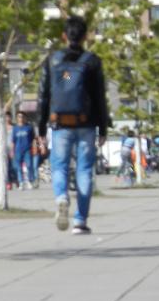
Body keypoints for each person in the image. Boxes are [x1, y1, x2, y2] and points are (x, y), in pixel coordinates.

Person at [37, 16, 109, 234]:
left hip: (60, 124)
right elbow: (99, 96)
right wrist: (103, 127)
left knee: (59, 166)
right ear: (85, 36)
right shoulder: (92, 61)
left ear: (64, 36)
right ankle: (80, 220)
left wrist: (41, 128)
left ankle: (61, 197)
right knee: (84, 170)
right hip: (86, 123)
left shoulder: (53, 60)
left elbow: (43, 96)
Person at [11, 111, 35, 189]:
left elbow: (33, 139)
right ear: (17, 118)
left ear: (25, 118)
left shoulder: (29, 127)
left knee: (29, 165)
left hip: (27, 149)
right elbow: (13, 141)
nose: (21, 118)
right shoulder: (15, 128)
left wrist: (34, 148)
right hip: (18, 150)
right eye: (19, 116)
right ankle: (21, 182)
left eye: (22, 116)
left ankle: (29, 181)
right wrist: (12, 151)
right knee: (18, 167)